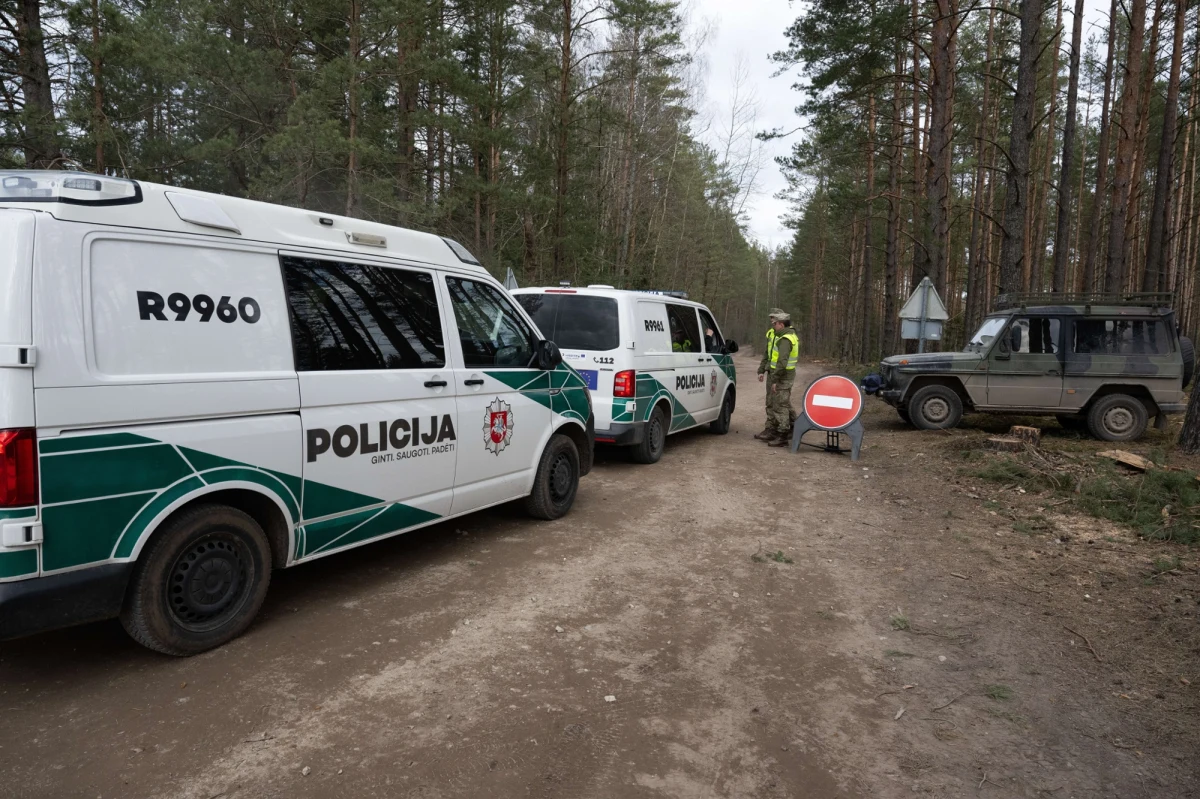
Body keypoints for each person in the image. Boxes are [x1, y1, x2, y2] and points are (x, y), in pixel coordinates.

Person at [755, 309, 796, 440]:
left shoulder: (785, 337)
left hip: (782, 374)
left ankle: (786, 428)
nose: (772, 323)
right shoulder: (773, 334)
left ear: (781, 323)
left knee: (781, 403)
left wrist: (775, 379)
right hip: (773, 371)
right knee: (772, 401)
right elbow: (767, 354)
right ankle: (772, 428)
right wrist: (762, 369)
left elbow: (782, 361)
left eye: (774, 321)